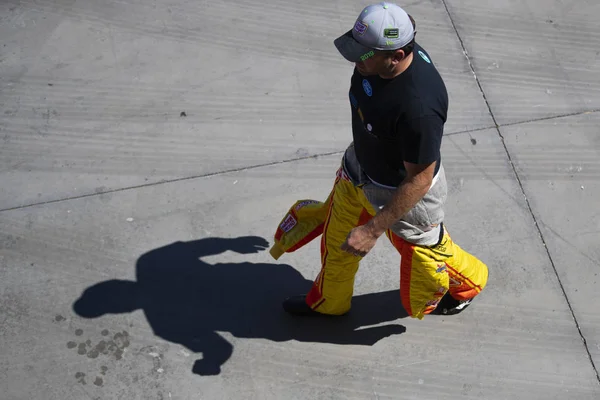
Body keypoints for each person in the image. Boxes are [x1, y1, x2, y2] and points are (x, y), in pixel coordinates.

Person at [269, 2, 489, 320]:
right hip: (359, 169)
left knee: (427, 256)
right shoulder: (383, 56)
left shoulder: (419, 109)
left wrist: (372, 231)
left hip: (399, 192)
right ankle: (329, 303)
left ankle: (470, 284)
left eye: (364, 53)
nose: (356, 58)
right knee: (337, 240)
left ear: (396, 56)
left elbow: (420, 179)